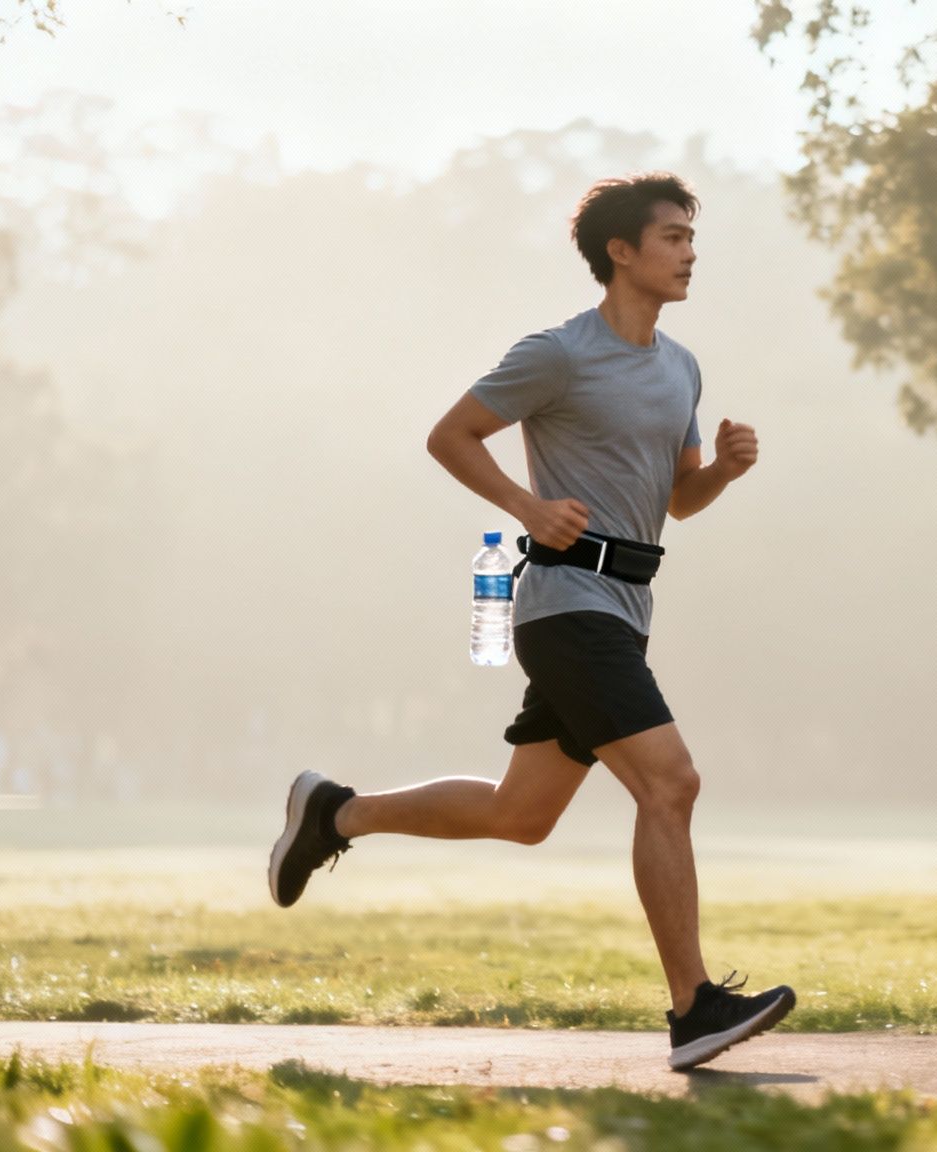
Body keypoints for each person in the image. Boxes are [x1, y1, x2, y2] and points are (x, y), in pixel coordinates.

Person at [265, 171, 794, 1071]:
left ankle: (333, 815)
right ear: (620, 252)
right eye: (672, 237)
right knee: (671, 784)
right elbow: (451, 435)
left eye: (691, 239)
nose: (689, 252)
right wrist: (524, 504)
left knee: (522, 815)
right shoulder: (559, 353)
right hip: (563, 605)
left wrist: (727, 472)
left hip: (625, 609)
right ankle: (694, 1007)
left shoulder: (682, 366)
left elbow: (682, 500)